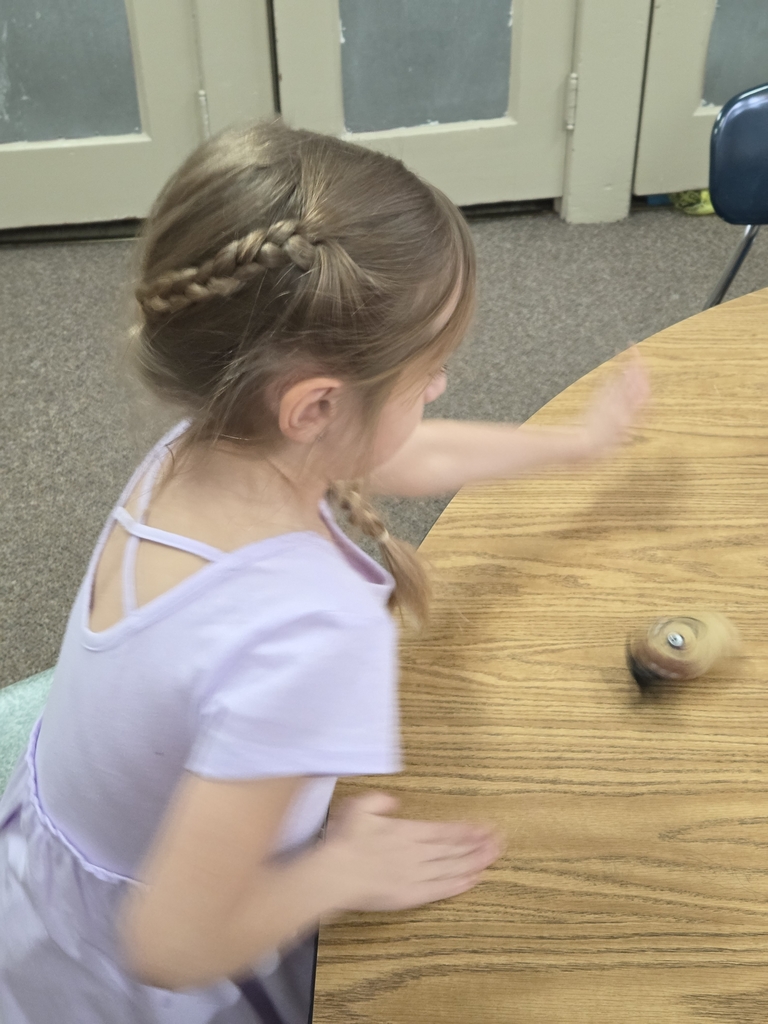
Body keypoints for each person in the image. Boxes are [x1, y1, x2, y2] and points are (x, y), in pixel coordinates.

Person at [0, 120, 649, 1024]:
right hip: (129, 973)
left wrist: (577, 445)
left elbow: (404, 456)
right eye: (431, 371)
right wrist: (334, 869)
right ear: (315, 408)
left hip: (51, 880)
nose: (441, 390)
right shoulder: (311, 629)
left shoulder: (207, 443)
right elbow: (173, 945)